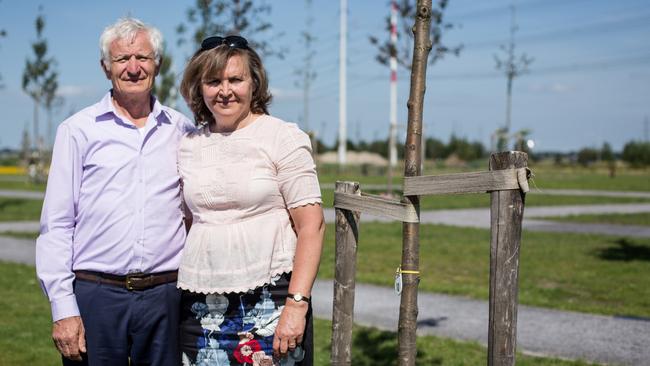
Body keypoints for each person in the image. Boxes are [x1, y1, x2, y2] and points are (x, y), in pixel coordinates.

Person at [35, 17, 193, 365]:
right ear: (106, 68)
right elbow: (57, 225)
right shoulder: (77, 131)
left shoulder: (183, 131)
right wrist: (63, 309)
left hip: (166, 298)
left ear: (158, 65)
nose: (133, 68)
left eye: (143, 58)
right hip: (97, 296)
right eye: (122, 59)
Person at [177, 35, 325, 365]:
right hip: (200, 308)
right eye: (213, 81)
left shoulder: (281, 136)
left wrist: (297, 305)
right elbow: (187, 221)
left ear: (254, 84)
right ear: (199, 87)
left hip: (271, 303)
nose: (224, 90)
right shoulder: (187, 144)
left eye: (235, 79)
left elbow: (311, 226)